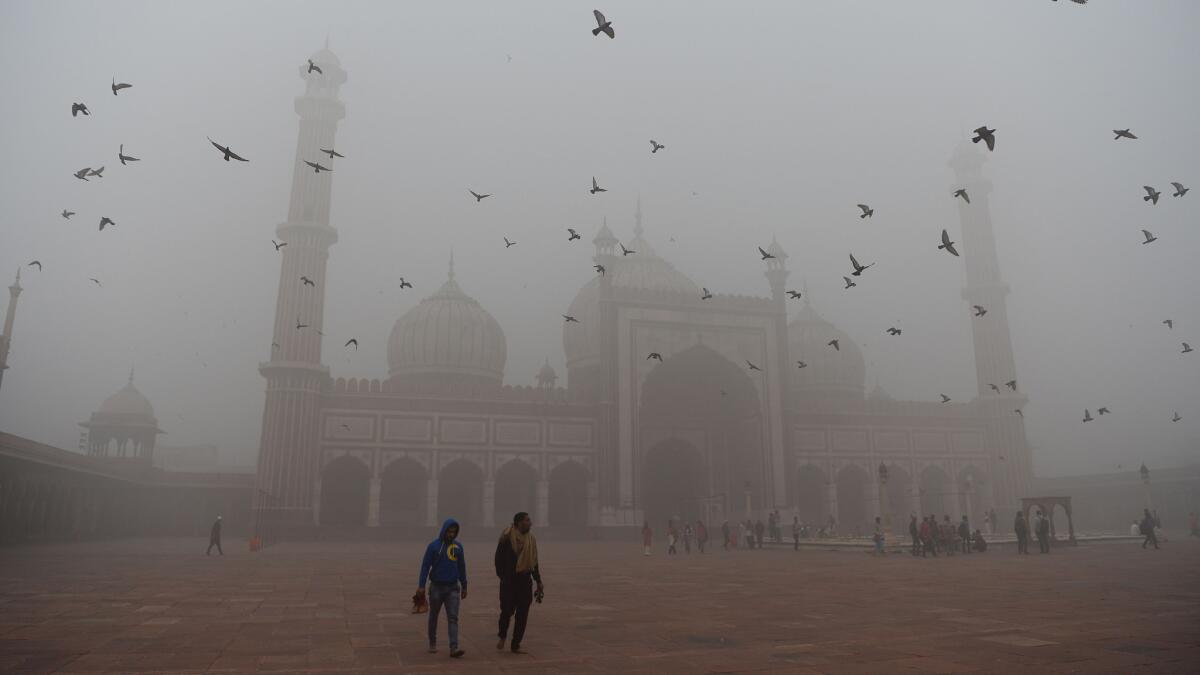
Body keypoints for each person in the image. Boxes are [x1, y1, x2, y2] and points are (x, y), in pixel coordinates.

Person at [417, 518, 468, 658]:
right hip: (437, 587)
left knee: (453, 618)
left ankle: (454, 647)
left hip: (453, 587)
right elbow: (425, 566)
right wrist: (421, 585)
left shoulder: (458, 547)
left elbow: (462, 567)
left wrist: (464, 585)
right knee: (434, 616)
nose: (451, 534)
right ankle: (432, 642)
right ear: (444, 531)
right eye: (449, 531)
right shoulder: (433, 546)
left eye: (454, 532)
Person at [495, 511, 543, 654]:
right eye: (527, 520)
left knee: (522, 614)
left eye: (529, 520)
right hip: (509, 582)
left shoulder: (531, 539)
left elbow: (533, 562)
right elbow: (498, 560)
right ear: (519, 522)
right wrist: (503, 577)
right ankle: (502, 635)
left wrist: (538, 581)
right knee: (506, 611)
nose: (530, 523)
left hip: (524, 581)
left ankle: (515, 644)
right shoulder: (507, 537)